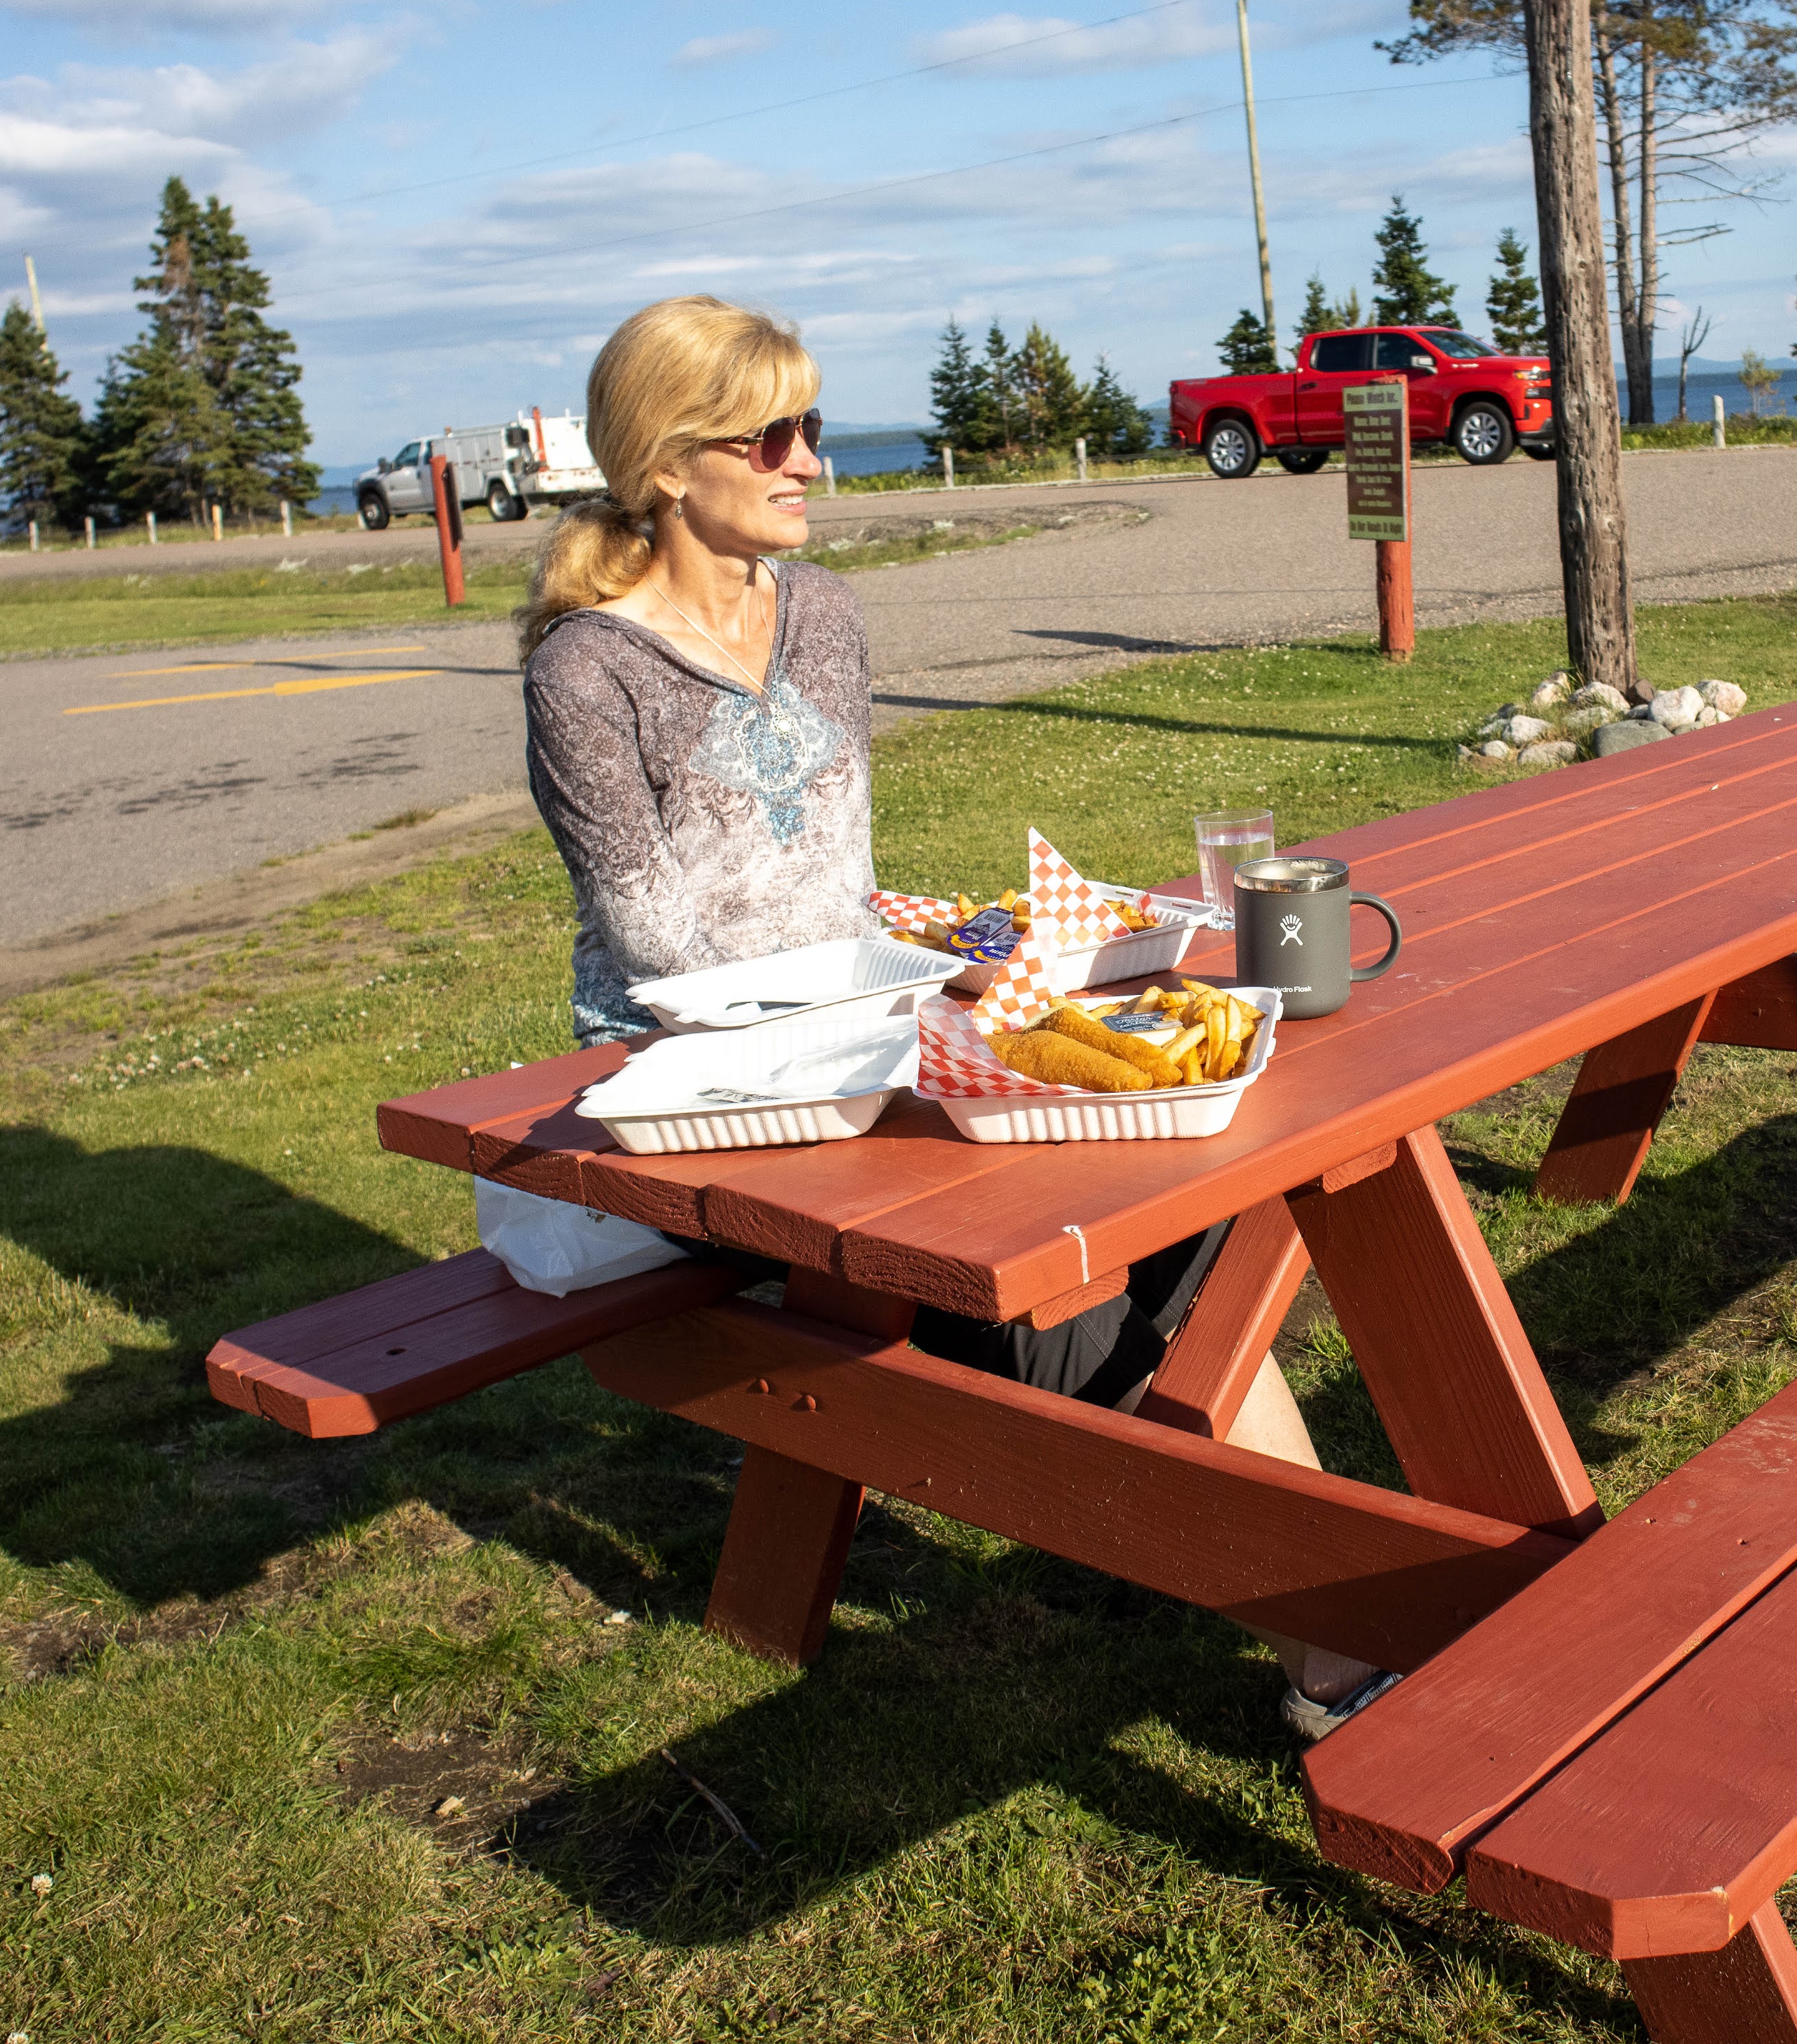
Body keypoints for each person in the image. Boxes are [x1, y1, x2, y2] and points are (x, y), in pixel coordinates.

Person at [519, 296, 1389, 1736]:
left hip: (877, 1042)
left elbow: (833, 879)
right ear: (668, 465)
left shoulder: (830, 616)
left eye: (814, 428)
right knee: (1059, 1293)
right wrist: (902, 1003)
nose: (811, 461)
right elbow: (666, 960)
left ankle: (1345, 1596)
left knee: (1194, 1191)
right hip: (706, 1100)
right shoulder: (586, 671)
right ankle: (1345, 1647)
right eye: (774, 435)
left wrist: (956, 957)